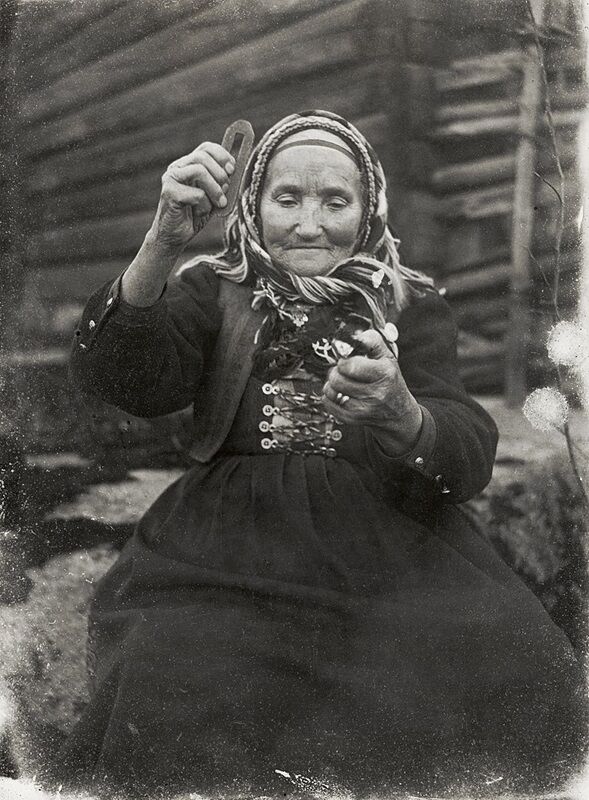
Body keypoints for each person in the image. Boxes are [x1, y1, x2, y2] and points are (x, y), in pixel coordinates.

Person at [49, 110, 585, 799]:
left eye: (335, 200)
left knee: (488, 655)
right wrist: (160, 242)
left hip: (382, 531)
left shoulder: (406, 302)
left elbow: (464, 445)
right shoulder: (211, 289)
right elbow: (128, 381)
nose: (309, 224)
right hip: (224, 542)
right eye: (287, 198)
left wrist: (402, 413)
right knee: (175, 662)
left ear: (366, 210)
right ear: (253, 204)